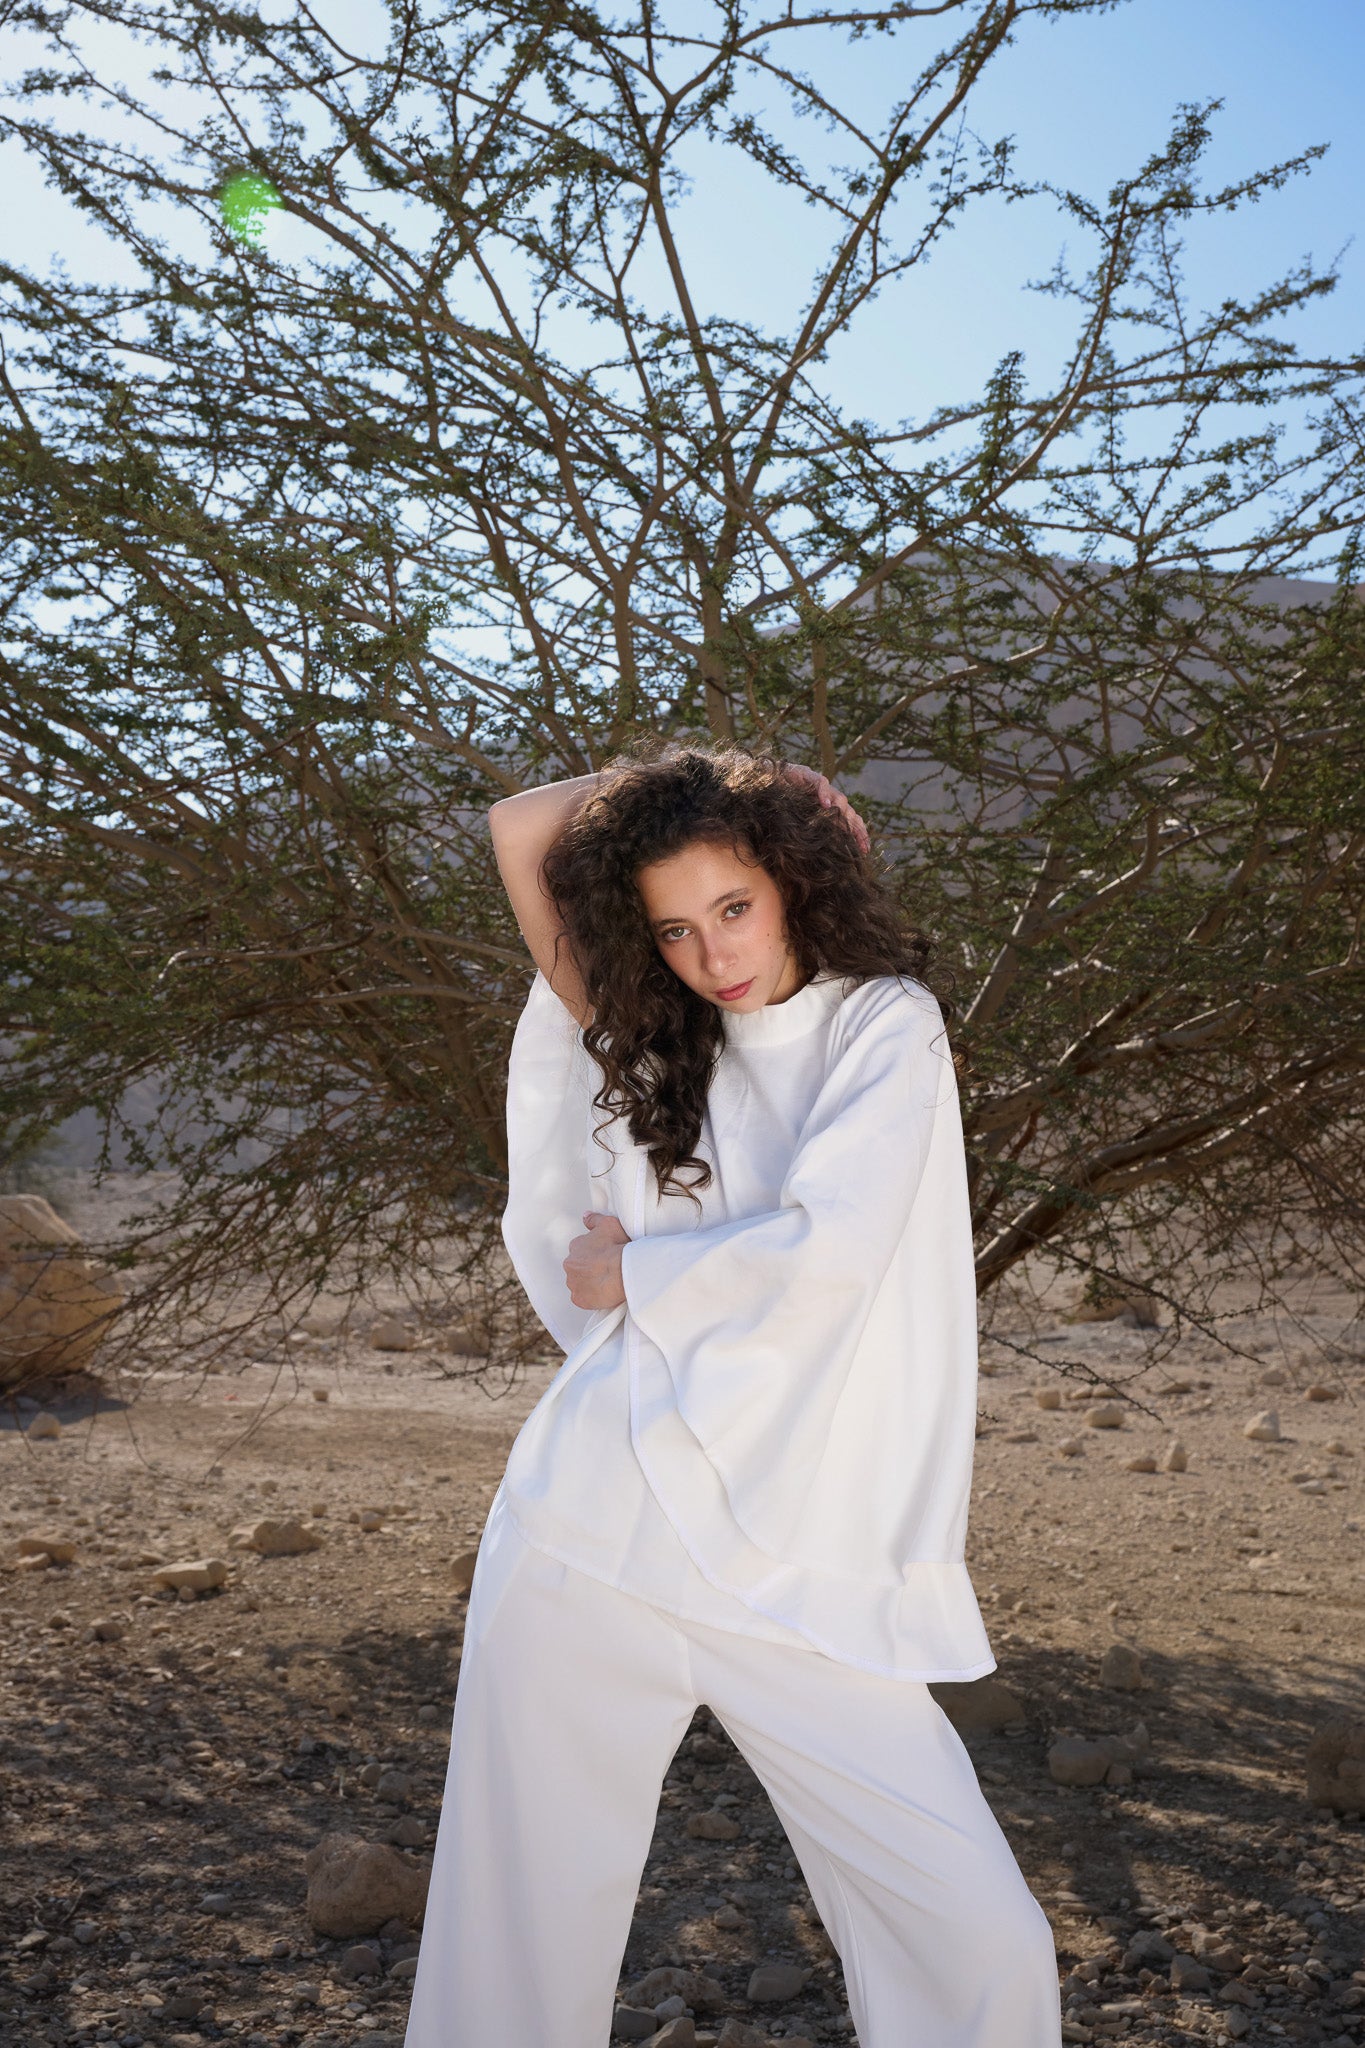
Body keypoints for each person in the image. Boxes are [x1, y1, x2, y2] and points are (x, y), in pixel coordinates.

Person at [403, 741, 1061, 2048]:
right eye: (673, 927)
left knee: (978, 1943)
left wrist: (636, 1267)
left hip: (793, 1574)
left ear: (796, 879)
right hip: (584, 1536)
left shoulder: (884, 1024)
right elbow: (521, 820)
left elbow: (834, 1248)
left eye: (735, 905)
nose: (712, 953)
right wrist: (685, 781)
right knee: (511, 1947)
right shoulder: (661, 1037)